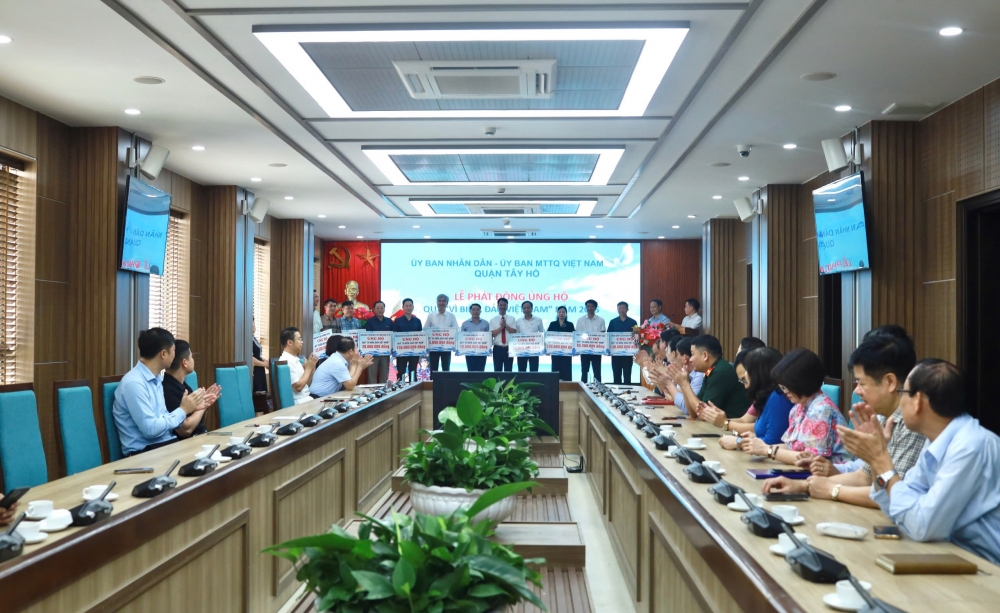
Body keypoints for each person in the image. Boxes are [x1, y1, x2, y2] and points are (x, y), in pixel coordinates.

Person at [840, 359, 1000, 564]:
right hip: (955, 556)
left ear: (918, 401)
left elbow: (921, 525)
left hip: (987, 567)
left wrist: (880, 458)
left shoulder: (970, 446)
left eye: (903, 393)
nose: (900, 401)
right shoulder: (935, 440)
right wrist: (875, 460)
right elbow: (895, 506)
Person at [764, 332, 924, 509]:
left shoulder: (913, 424)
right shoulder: (882, 418)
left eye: (862, 383)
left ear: (890, 382)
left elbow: (893, 495)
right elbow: (863, 476)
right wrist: (803, 486)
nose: (856, 391)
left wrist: (832, 490)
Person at [113, 328, 216, 457]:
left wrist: (194, 408)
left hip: (166, 446)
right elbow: (150, 429)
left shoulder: (157, 379)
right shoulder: (134, 384)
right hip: (145, 454)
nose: (175, 355)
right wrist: (183, 410)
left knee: (214, 455)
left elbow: (164, 419)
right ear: (163, 354)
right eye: (173, 350)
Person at [740, 348, 849, 465]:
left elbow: (811, 459)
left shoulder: (822, 409)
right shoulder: (798, 407)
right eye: (782, 387)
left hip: (832, 473)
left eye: (786, 386)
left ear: (801, 382)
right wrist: (760, 445)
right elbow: (790, 447)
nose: (784, 391)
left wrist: (767, 450)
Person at [717, 348, 791, 450]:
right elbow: (763, 436)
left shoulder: (777, 397)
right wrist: (751, 438)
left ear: (757, 374)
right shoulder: (769, 397)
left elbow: (771, 443)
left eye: (748, 370)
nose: (746, 377)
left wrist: (738, 442)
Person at [666, 334, 747, 419]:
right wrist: (683, 384)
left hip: (735, 425)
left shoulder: (720, 372)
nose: (690, 359)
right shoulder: (710, 370)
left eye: (692, 354)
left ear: (705, 356)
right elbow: (693, 412)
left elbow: (703, 414)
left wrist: (685, 384)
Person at [162, 340, 220, 438]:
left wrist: (204, 403)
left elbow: (198, 421)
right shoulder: (167, 390)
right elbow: (185, 430)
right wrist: (203, 406)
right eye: (191, 357)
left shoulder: (183, 385)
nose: (193, 360)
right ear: (184, 363)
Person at [650, 336, 703, 413]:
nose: (667, 355)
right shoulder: (686, 372)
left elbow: (687, 408)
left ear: (685, 358)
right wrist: (663, 382)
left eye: (677, 354)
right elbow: (671, 397)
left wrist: (668, 384)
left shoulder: (700, 375)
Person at [278, 326, 318, 405]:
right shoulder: (286, 361)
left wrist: (311, 371)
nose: (302, 342)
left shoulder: (296, 359)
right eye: (299, 339)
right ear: (290, 342)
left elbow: (305, 385)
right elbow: (298, 387)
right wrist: (308, 369)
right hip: (298, 403)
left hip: (306, 399)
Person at [425, 293, 459, 371]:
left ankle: (446, 380)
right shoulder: (431, 315)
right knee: (433, 369)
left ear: (447, 303)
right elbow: (425, 330)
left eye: (443, 301)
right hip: (433, 348)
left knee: (446, 369)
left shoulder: (451, 316)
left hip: (446, 348)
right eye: (439, 301)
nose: (441, 303)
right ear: (437, 303)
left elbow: (456, 331)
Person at [608, 301, 638, 384]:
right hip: (615, 354)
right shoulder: (612, 322)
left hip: (628, 355)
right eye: (619, 308)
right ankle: (616, 391)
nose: (621, 310)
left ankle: (628, 392)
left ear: (627, 309)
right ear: (617, 309)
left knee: (627, 376)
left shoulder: (633, 322)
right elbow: (608, 337)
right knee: (616, 376)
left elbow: (636, 337)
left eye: (623, 308)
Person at [392, 298, 422, 380]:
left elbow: (420, 336)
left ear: (413, 307)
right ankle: (400, 387)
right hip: (401, 351)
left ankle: (413, 387)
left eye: (410, 306)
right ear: (403, 307)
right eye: (406, 306)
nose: (408, 307)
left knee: (413, 372)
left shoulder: (417, 321)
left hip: (414, 351)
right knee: (401, 372)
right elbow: (394, 335)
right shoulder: (397, 321)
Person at [576, 299, 606, 382]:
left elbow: (602, 335)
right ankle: (583, 388)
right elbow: (578, 335)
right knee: (584, 371)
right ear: (586, 308)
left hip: (597, 351)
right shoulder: (580, 320)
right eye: (588, 306)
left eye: (592, 306)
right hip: (584, 350)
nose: (590, 308)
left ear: (595, 308)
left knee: (597, 372)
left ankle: (598, 388)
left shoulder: (601, 320)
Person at [365, 300, 393, 383]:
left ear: (384, 309)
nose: (380, 310)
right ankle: (372, 390)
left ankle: (384, 390)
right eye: (378, 308)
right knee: (372, 375)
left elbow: (393, 336)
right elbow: (366, 337)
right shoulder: (369, 321)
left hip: (385, 353)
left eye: (382, 308)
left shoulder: (389, 321)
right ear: (374, 309)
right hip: (372, 353)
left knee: (384, 374)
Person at [514, 300, 544, 372]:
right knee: (521, 371)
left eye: (528, 308)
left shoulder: (538, 320)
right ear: (522, 309)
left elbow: (542, 333)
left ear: (532, 308)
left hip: (534, 350)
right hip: (521, 351)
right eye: (524, 308)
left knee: (534, 372)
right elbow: (515, 336)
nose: (526, 309)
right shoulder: (518, 321)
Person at [547, 306, 575, 381]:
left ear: (566, 314)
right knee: (555, 369)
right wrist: (547, 349)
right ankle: (554, 385)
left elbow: (574, 338)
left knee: (566, 369)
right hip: (555, 352)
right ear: (557, 313)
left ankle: (567, 386)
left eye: (563, 312)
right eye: (560, 312)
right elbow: (548, 337)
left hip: (567, 352)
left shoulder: (570, 324)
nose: (561, 313)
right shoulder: (552, 324)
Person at [461, 303, 490, 372]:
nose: (475, 311)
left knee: (481, 372)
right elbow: (461, 338)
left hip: (482, 352)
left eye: (477, 310)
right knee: (470, 372)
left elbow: (489, 338)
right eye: (473, 310)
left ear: (480, 311)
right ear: (470, 312)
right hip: (469, 352)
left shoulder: (486, 323)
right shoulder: (465, 324)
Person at [490, 297, 517, 372]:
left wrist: (506, 326)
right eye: (501, 305)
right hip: (497, 349)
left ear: (507, 306)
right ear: (498, 306)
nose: (502, 307)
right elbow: (492, 334)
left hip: (509, 348)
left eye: (504, 305)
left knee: (508, 371)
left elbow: (514, 332)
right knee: (497, 370)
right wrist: (501, 327)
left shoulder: (512, 318)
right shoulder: (493, 320)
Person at [252, 318, 268, 394]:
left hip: (260, 370)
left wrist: (263, 359)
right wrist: (264, 364)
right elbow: (251, 358)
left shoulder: (253, 338)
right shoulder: (247, 339)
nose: (254, 325)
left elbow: (257, 354)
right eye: (253, 323)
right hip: (255, 371)